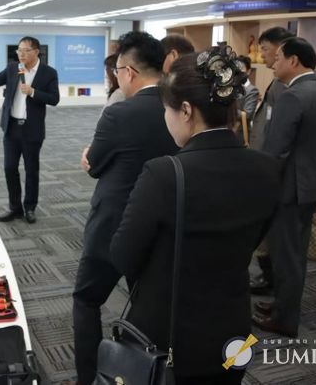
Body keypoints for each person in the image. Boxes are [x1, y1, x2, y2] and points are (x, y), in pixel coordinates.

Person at [110, 48, 282, 384]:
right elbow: (256, 237)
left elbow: (122, 256)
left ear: (186, 110)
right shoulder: (269, 168)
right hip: (233, 328)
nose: (166, 118)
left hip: (169, 331)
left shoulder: (164, 173)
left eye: (167, 109)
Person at [74, 32, 178, 385]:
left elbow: (95, 165)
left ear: (129, 72)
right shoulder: (180, 109)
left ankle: (89, 378)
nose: (117, 77)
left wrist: (88, 156)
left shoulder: (119, 112)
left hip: (113, 224)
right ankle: (145, 376)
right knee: (147, 305)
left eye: (117, 70)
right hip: (159, 227)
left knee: (86, 299)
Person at [252, 37, 316, 337]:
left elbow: (276, 150)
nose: (274, 63)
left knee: (286, 256)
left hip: (288, 187)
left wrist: (260, 184)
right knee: (294, 253)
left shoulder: (292, 96)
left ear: (294, 61)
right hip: (307, 182)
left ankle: (285, 320)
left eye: (279, 58)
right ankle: (283, 306)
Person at [0, 36, 59, 224]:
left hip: (32, 129)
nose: (21, 54)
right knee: (9, 168)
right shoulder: (13, 68)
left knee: (31, 170)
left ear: (36, 52)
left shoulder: (48, 73)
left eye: (25, 50)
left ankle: (29, 208)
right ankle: (15, 208)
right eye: (19, 50)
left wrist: (32, 92)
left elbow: (54, 99)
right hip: (12, 127)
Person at [248, 26, 294, 295]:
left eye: (265, 49)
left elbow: (278, 133)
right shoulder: (278, 82)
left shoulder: (287, 87)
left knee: (273, 231)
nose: (263, 55)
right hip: (265, 164)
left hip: (273, 169)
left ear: (281, 49)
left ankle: (270, 281)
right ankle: (267, 278)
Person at [236, 55, 259, 121]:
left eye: (241, 68)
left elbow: (247, 115)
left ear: (248, 71)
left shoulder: (252, 90)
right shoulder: (230, 87)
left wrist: (228, 110)